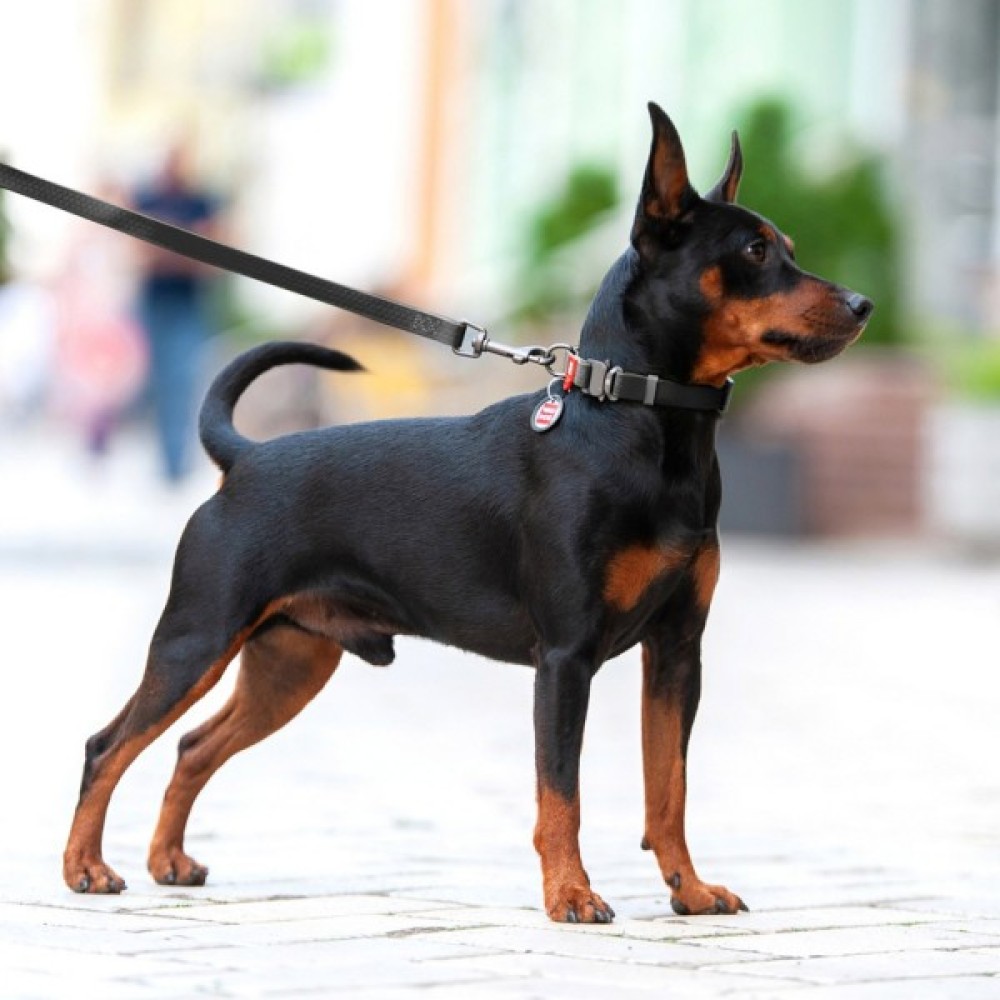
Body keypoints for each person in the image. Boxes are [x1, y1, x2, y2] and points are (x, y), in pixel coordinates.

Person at [133, 143, 222, 482]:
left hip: (188, 303)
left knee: (182, 379)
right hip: (153, 301)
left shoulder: (202, 201)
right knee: (155, 380)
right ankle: (165, 460)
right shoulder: (146, 198)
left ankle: (175, 463)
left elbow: (212, 256)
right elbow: (138, 253)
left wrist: (167, 250)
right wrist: (184, 247)